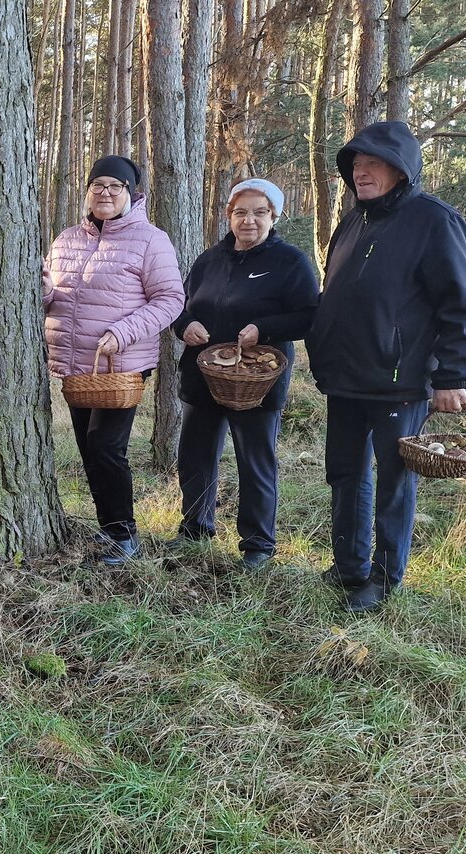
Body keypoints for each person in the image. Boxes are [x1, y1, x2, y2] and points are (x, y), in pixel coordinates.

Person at [306, 121, 466, 612]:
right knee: (344, 473)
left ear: (401, 169)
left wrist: (451, 375)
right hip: (344, 378)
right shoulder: (353, 221)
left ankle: (384, 579)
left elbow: (459, 305)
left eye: (373, 164)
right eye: (356, 165)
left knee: (394, 481)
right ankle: (349, 565)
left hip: (399, 382)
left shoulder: (433, 220)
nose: (361, 173)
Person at [42, 155, 184, 565]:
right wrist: (42, 290)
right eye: (98, 185)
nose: (105, 193)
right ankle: (109, 530)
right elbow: (57, 299)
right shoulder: (67, 238)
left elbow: (171, 299)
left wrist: (122, 333)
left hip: (121, 365)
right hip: (78, 366)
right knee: (89, 448)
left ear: (130, 194)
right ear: (87, 191)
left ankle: (124, 535)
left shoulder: (150, 239)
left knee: (106, 446)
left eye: (114, 187)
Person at [172, 178, 319, 570]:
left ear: (274, 215)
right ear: (228, 216)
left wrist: (263, 329)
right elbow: (181, 306)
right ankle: (196, 528)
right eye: (240, 212)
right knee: (195, 455)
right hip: (203, 375)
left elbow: (309, 317)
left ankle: (257, 544)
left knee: (255, 460)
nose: (249, 220)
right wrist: (184, 326)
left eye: (259, 212)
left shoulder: (290, 262)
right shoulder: (209, 260)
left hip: (258, 380)